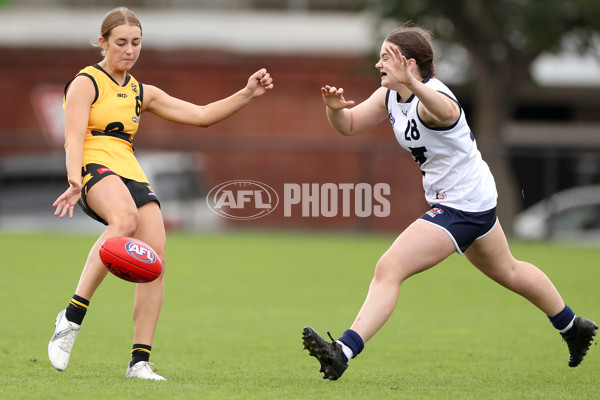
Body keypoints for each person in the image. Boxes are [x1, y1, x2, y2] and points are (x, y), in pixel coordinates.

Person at [301, 24, 597, 380]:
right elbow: (348, 125)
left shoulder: (431, 101)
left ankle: (342, 352)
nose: (379, 65)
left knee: (389, 268)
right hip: (472, 198)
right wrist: (334, 109)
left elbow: (447, 112)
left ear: (408, 64)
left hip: (463, 205)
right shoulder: (390, 96)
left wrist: (413, 83)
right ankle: (573, 327)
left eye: (385, 58)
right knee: (509, 271)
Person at [49, 7, 273, 381]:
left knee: (154, 261)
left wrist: (247, 93)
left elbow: (201, 115)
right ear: (103, 42)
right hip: (92, 167)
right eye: (120, 43)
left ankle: (139, 362)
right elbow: (73, 137)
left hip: (129, 171)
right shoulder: (86, 82)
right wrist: (74, 178)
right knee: (125, 219)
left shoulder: (141, 91)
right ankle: (71, 317)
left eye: (136, 43)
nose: (129, 50)